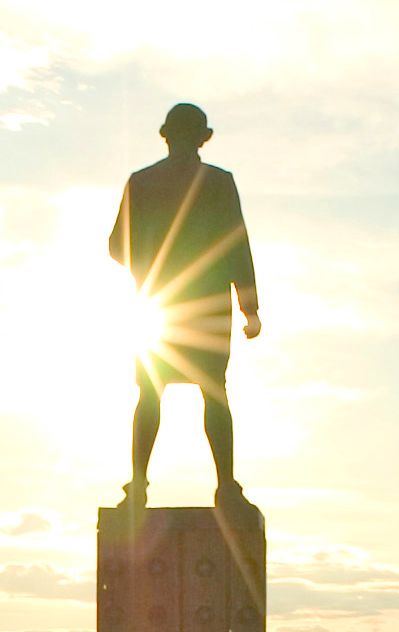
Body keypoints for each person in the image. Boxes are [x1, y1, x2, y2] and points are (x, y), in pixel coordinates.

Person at [108, 102, 261, 508]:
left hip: (158, 304)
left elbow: (117, 246)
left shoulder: (142, 182)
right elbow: (237, 247)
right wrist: (250, 309)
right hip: (200, 305)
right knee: (212, 393)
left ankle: (140, 486)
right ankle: (225, 487)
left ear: (166, 135)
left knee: (152, 394)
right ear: (202, 138)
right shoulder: (217, 183)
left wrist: (149, 269)